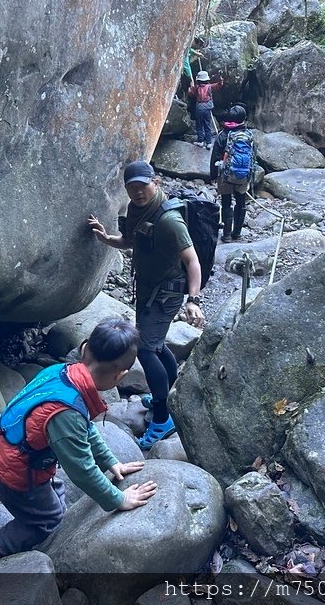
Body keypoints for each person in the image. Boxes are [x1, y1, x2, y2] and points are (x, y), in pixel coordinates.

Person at [0, 318, 157, 574]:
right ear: (120, 375)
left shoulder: (61, 374)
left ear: (85, 349)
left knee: (56, 494)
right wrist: (118, 499)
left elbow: (85, 428)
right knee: (46, 520)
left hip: (5, 450)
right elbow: (82, 470)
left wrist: (111, 462)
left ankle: (44, 518)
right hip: (15, 473)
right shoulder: (67, 411)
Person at [87, 161, 205, 450]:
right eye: (132, 187)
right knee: (155, 342)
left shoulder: (170, 221)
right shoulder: (137, 209)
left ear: (156, 183)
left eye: (143, 185)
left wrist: (193, 300)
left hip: (167, 292)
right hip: (148, 288)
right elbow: (130, 241)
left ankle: (163, 417)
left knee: (146, 348)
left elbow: (192, 261)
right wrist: (105, 238)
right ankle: (171, 392)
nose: (138, 192)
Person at [210, 105, 253, 242]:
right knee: (241, 202)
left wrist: (212, 176)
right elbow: (253, 156)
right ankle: (237, 233)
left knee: (227, 202)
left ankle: (227, 235)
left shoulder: (223, 135)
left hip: (226, 175)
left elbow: (215, 156)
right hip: (243, 175)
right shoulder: (248, 136)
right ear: (244, 119)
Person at [189, 70, 223, 148]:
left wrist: (190, 87)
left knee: (199, 125)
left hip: (199, 108)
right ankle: (209, 142)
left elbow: (191, 94)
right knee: (207, 125)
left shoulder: (196, 88)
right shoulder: (210, 87)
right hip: (208, 108)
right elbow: (219, 84)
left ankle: (200, 141)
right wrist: (220, 78)